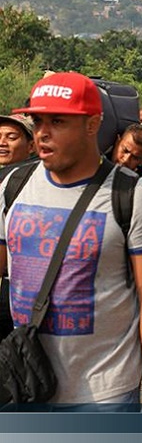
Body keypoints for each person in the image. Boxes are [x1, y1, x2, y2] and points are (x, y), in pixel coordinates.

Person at [0, 72, 142, 407]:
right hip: (23, 384)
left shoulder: (132, 195)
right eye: (37, 121)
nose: (42, 134)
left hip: (103, 393)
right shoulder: (12, 186)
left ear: (93, 124)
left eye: (58, 121)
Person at [0, 113, 36, 342]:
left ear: (32, 145)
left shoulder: (35, 184)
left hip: (16, 289)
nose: (2, 142)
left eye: (11, 137)